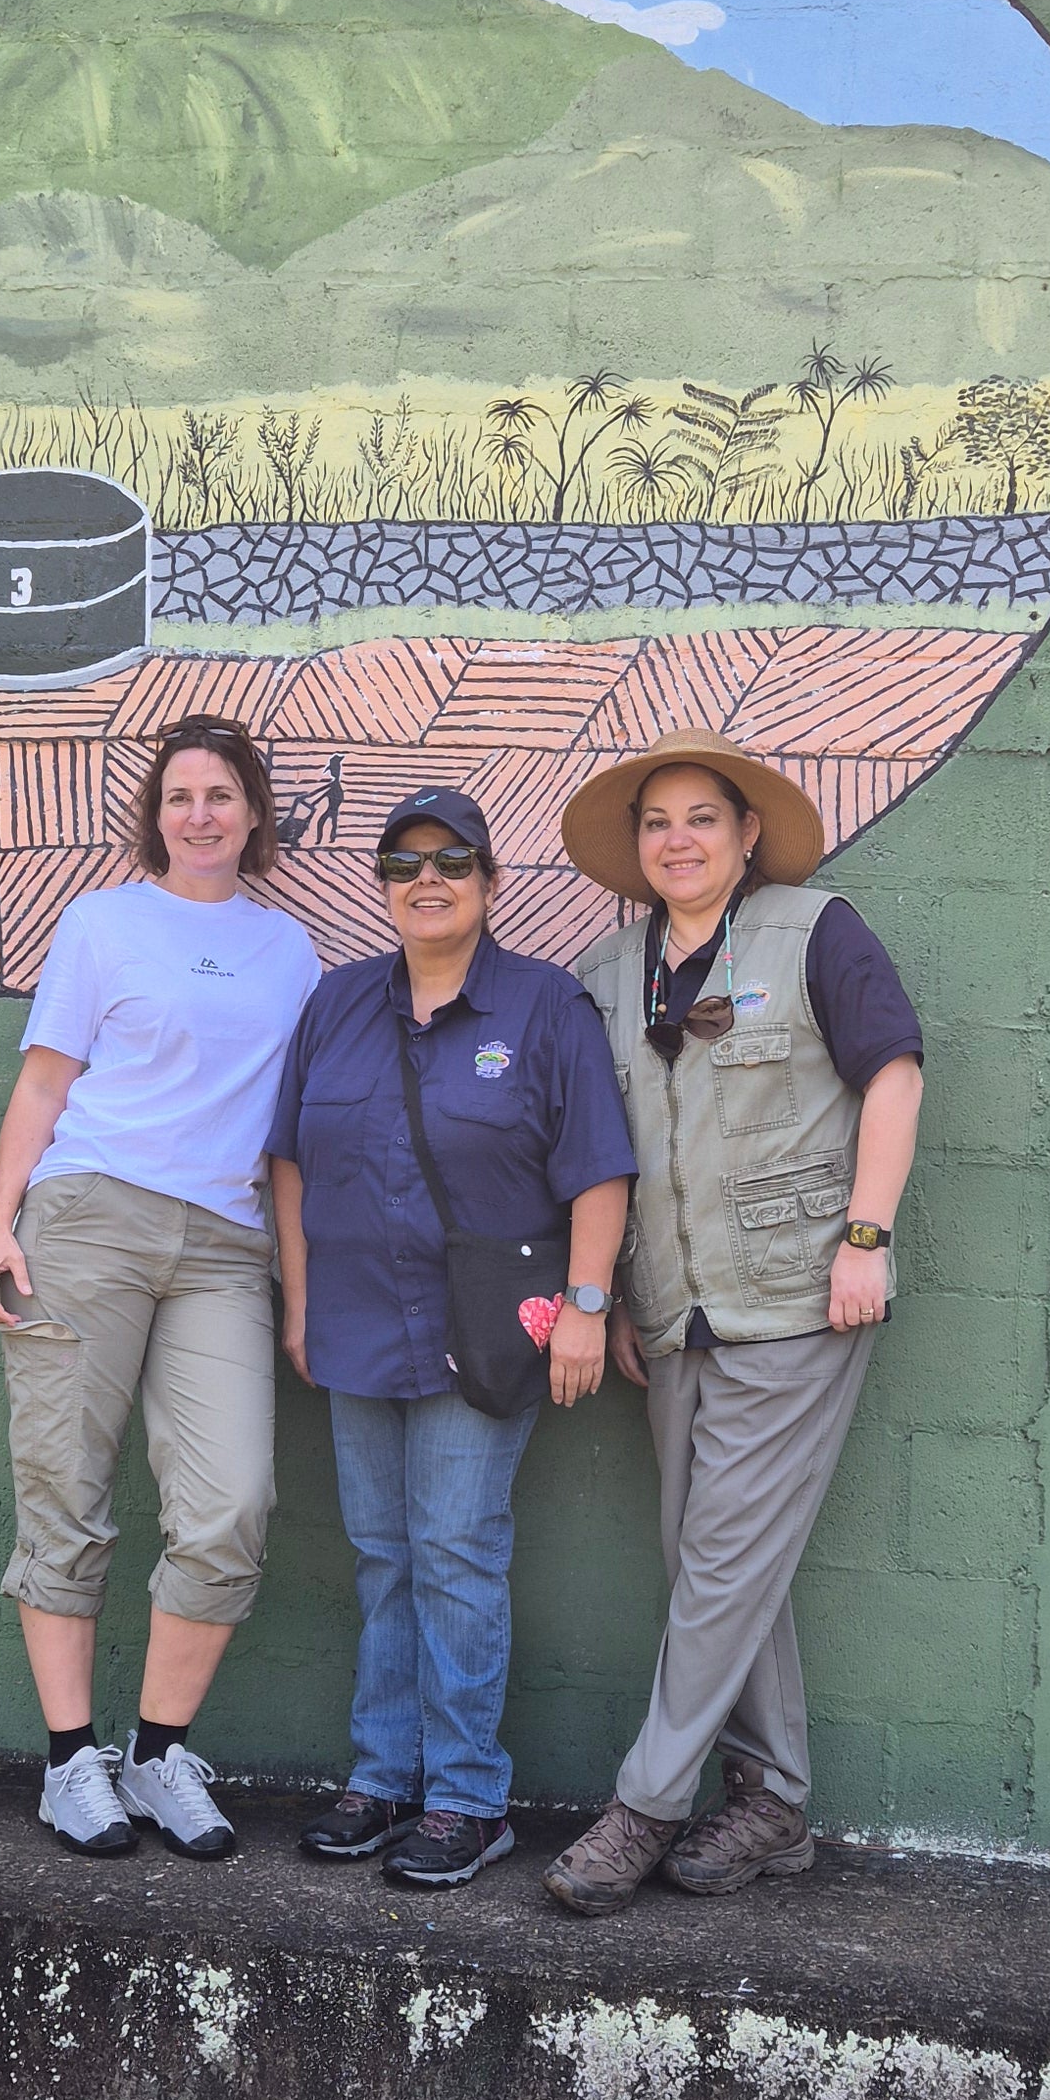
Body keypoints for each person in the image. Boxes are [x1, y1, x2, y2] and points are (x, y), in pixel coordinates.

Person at [545, 739, 924, 1911]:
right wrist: (602, 1293)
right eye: (657, 822)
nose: (679, 839)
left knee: (718, 1564)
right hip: (670, 1319)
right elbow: (597, 1152)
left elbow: (896, 1074)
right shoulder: (608, 975)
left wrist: (867, 1236)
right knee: (712, 1560)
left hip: (799, 1298)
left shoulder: (816, 932)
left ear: (747, 834)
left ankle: (645, 1804)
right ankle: (775, 1799)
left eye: (703, 818)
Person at [268, 786, 634, 1890]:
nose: (427, 879)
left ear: (489, 882)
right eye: (404, 861)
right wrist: (297, 1300)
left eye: (453, 860)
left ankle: (469, 1797)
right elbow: (288, 1160)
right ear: (382, 883)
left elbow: (600, 1167)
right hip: (352, 1326)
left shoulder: (544, 1006)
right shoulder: (336, 1004)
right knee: (384, 1558)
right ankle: (383, 1780)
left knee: (457, 1554)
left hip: (480, 1336)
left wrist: (585, 1304)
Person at [0, 714, 320, 1863]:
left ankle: (159, 1751)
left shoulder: (291, 952)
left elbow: (289, 1148)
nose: (201, 814)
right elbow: (41, 1084)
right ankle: (72, 1761)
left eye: (222, 794)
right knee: (64, 1486)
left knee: (232, 1504)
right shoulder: (104, 924)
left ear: (255, 813)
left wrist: (299, 1286)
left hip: (225, 1244)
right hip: (90, 1218)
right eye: (180, 796)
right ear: (156, 815)